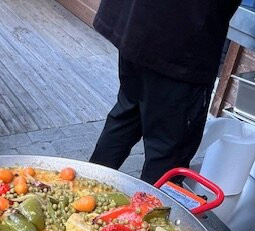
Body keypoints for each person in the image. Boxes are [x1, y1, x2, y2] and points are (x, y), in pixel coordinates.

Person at [89, 0, 241, 184]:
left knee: (127, 115)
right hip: (182, 39)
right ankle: (149, 203)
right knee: (167, 152)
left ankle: (83, 193)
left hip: (137, 20)